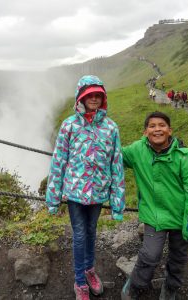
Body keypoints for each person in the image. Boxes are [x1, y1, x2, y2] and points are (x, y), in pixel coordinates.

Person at [46, 75, 125, 300]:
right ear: (81, 96)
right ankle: (80, 281)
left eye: (97, 94)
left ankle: (90, 270)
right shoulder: (69, 125)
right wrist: (52, 197)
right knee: (80, 234)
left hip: (98, 192)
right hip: (74, 193)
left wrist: (118, 203)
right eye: (89, 94)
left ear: (103, 97)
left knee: (91, 232)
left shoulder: (111, 128)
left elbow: (116, 164)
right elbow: (59, 160)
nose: (94, 98)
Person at [120, 111, 188, 300]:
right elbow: (115, 156)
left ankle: (171, 288)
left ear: (169, 130)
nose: (157, 129)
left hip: (181, 217)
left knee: (178, 258)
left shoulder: (185, 158)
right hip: (153, 215)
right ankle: (136, 284)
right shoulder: (137, 150)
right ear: (145, 132)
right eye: (152, 126)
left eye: (162, 125)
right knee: (149, 255)